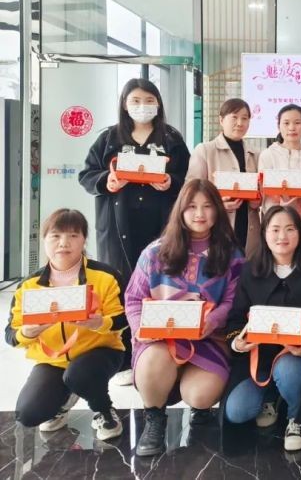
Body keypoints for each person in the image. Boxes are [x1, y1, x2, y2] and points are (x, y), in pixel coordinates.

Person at [78, 78, 190, 386]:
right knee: (124, 288)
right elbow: (86, 174)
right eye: (136, 101)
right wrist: (107, 181)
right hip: (119, 227)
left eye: (149, 100)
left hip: (161, 224)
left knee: (163, 285)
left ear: (158, 103)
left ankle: (164, 353)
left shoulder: (171, 138)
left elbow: (188, 177)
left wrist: (170, 183)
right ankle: (127, 358)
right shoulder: (109, 138)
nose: (143, 106)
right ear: (125, 105)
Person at [124, 179, 244, 457]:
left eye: (207, 206)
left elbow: (233, 302)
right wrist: (141, 329)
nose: (200, 214)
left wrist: (212, 321)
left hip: (207, 339)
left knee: (200, 394)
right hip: (160, 340)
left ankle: (200, 410)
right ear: (180, 210)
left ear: (218, 210)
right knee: (152, 364)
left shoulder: (233, 255)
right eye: (191, 207)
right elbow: (133, 299)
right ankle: (155, 418)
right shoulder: (155, 252)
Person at [6, 209, 126, 441]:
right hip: (53, 360)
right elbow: (10, 334)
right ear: (44, 240)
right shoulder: (29, 286)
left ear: (84, 240)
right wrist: (26, 333)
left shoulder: (106, 276)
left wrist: (100, 322)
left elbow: (126, 318)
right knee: (28, 414)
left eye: (73, 235)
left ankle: (104, 410)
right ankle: (65, 399)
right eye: (56, 236)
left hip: (101, 353)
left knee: (79, 374)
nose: (64, 243)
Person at [223, 206, 301, 452]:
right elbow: (235, 319)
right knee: (237, 411)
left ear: (300, 234)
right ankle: (271, 397)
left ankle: (296, 419)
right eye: (275, 229)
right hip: (258, 357)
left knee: (289, 370)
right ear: (264, 234)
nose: (282, 236)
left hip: (296, 355)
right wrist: (237, 342)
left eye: (290, 229)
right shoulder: (251, 271)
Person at [186, 98, 261, 258]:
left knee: (246, 269)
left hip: (249, 228)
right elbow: (191, 191)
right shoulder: (205, 150)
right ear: (221, 120)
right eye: (234, 117)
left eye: (244, 118)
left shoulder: (255, 154)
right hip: (217, 226)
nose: (239, 123)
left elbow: (261, 189)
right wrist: (217, 204)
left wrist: (258, 200)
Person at [258, 104, 301, 256]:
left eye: (297, 123)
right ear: (278, 126)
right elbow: (262, 196)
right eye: (286, 123)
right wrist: (278, 200)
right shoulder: (267, 156)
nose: (292, 128)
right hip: (275, 237)